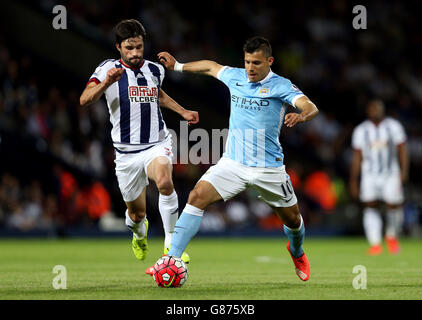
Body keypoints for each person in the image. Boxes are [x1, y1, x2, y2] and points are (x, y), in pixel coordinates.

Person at [154, 36, 319, 281]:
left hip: (268, 168)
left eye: (256, 63)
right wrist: (178, 66)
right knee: (197, 196)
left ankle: (296, 251)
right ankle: (172, 259)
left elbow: (310, 106)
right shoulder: (236, 76)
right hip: (233, 164)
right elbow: (211, 66)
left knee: (293, 220)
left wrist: (301, 116)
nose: (250, 68)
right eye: (247, 62)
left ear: (269, 61)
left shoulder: (281, 85)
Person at [79, 19, 197, 266]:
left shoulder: (155, 70)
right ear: (118, 47)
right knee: (136, 214)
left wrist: (183, 111)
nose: (135, 53)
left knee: (165, 182)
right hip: (126, 154)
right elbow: (85, 99)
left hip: (157, 143)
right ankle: (138, 232)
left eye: (139, 47)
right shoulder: (105, 70)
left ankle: (172, 247)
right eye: (129, 48)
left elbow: (158, 94)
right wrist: (107, 82)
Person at [350, 99, 409, 255]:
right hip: (369, 174)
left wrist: (404, 172)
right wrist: (354, 181)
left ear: (383, 110)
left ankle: (392, 237)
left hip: (391, 173)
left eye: (377, 108)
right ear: (367, 111)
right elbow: (357, 157)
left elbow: (403, 150)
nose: (375, 111)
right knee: (370, 205)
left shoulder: (393, 126)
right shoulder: (361, 130)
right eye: (372, 108)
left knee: (393, 204)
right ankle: (375, 243)